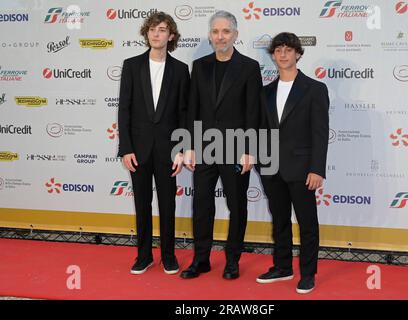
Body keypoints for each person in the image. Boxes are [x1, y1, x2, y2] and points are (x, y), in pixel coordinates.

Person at [180, 11, 262, 280]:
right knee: (202, 205)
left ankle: (232, 261)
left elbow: (254, 112)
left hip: (237, 148)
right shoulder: (199, 65)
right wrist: (189, 145)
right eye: (215, 31)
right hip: (204, 148)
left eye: (226, 31)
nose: (220, 36)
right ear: (209, 35)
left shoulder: (249, 67)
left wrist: (250, 149)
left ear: (235, 35)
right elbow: (192, 108)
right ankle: (201, 260)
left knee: (237, 206)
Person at [256, 32, 329, 294]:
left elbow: (320, 132)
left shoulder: (315, 89)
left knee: (308, 224)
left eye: (288, 50)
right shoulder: (264, 92)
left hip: (302, 169)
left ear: (298, 53)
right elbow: (260, 130)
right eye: (278, 50)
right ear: (273, 55)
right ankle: (282, 267)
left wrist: (317, 168)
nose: (283, 54)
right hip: (271, 168)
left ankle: (308, 274)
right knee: (280, 221)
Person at [117, 12, 189, 275]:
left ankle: (169, 256)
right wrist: (125, 148)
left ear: (171, 36)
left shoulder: (181, 70)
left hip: (169, 150)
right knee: (142, 204)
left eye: (162, 30)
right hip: (138, 149)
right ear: (146, 33)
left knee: (168, 204)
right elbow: (124, 109)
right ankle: (144, 255)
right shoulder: (131, 65)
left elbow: (184, 112)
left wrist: (181, 149)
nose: (156, 34)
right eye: (152, 29)